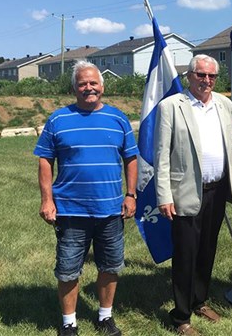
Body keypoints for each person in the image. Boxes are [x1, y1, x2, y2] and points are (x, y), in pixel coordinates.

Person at [34, 60, 138, 336]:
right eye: (82, 83)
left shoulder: (118, 118)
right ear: (74, 88)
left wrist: (130, 194)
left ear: (102, 86)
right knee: (68, 270)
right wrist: (47, 200)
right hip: (71, 210)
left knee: (111, 266)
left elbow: (131, 158)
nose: (88, 88)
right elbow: (45, 159)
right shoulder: (58, 119)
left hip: (111, 209)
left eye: (93, 83)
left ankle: (105, 317)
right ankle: (69, 322)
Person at [154, 54, 232, 336]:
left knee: (207, 250)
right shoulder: (171, 106)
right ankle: (181, 317)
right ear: (189, 75)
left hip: (216, 190)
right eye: (201, 75)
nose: (206, 81)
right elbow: (161, 154)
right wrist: (164, 195)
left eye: (212, 76)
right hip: (185, 192)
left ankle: (199, 300)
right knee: (186, 255)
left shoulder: (225, 104)